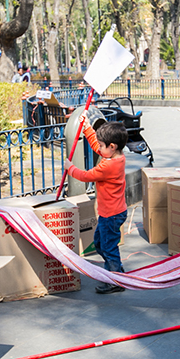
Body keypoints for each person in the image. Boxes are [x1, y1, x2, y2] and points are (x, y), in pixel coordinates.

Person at [63, 119, 128, 294]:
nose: (98, 148)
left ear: (112, 146)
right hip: (112, 212)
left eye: (101, 145)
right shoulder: (115, 157)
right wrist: (87, 129)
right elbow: (96, 146)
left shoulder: (109, 165)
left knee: (108, 246)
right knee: (100, 244)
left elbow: (85, 176)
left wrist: (70, 168)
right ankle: (117, 271)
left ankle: (115, 279)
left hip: (112, 215)